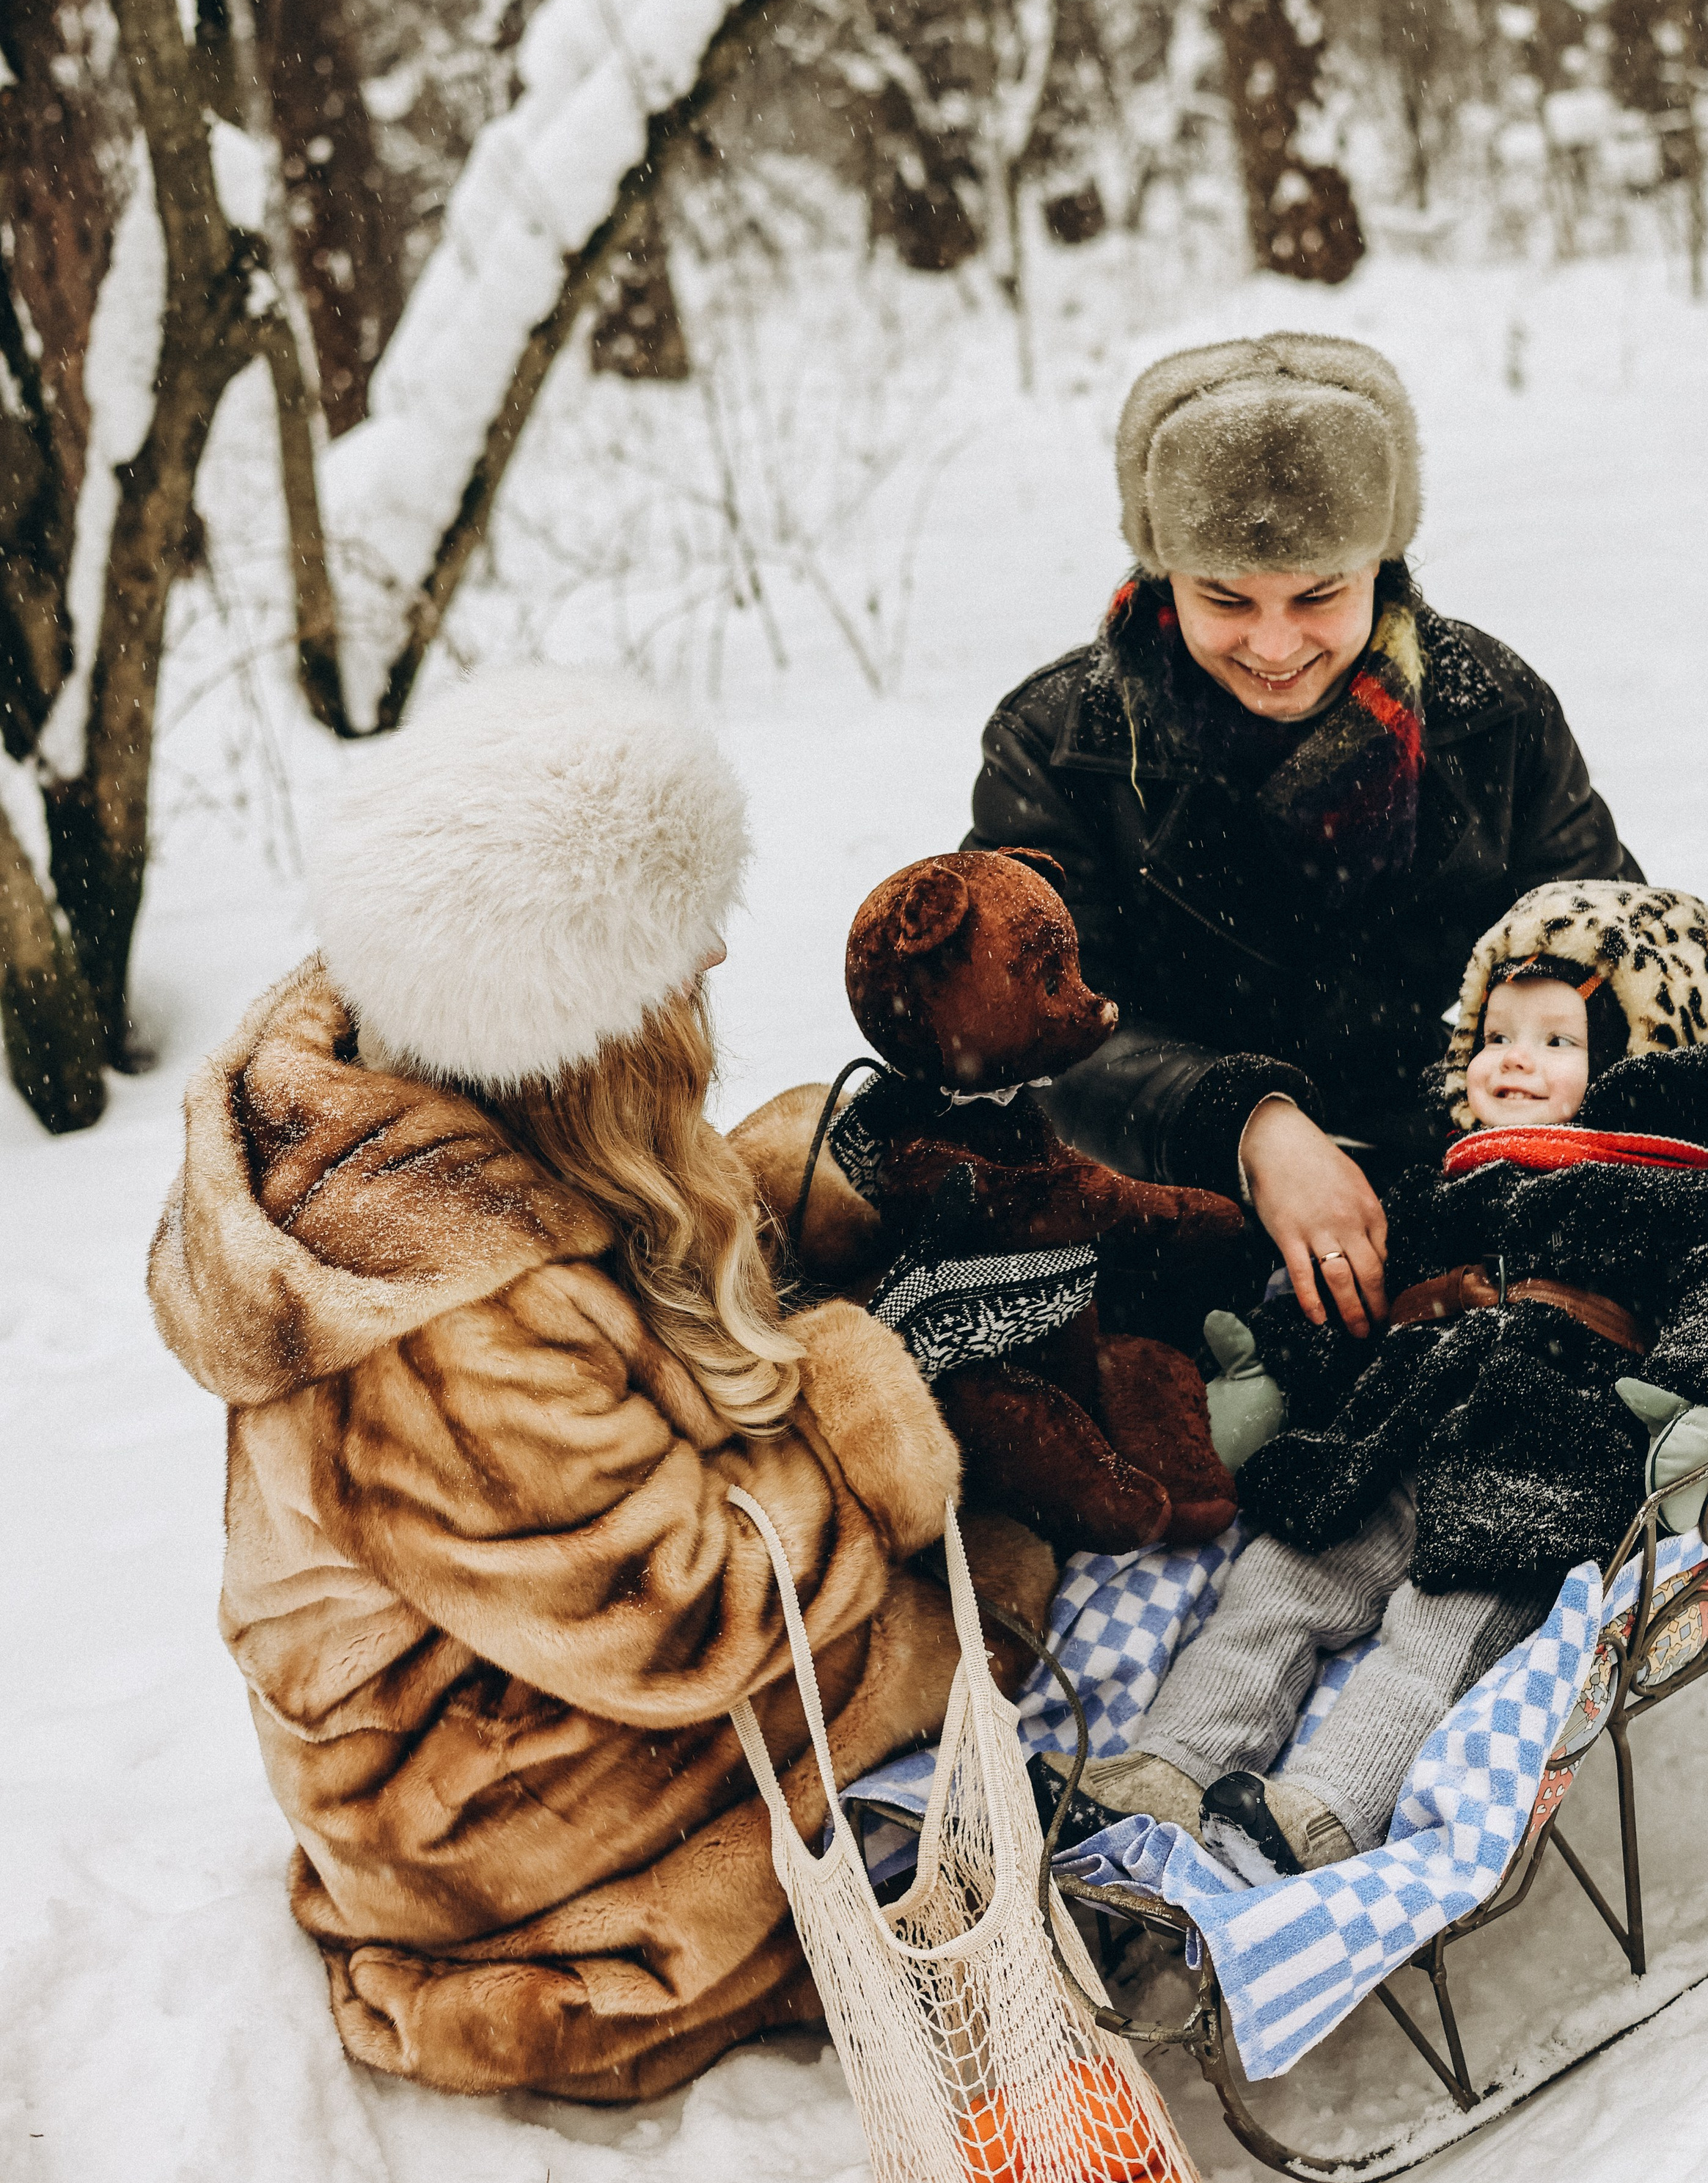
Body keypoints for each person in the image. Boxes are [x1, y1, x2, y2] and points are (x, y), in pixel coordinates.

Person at [147, 669, 1054, 2105]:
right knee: (983, 1603)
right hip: (473, 1805)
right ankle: (629, 1957)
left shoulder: (427, 1077)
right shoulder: (449, 1326)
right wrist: (849, 1421)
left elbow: (595, 1272)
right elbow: (685, 1619)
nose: (705, 975)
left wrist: (782, 1189)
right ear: (571, 1028)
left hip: (518, 1647)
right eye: (674, 967)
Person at [1037, 881, 1708, 1876]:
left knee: (1438, 1638)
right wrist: (1278, 1373)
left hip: (1546, 1453)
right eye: (1497, 1031)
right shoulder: (1444, 1181)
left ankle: (1320, 1813)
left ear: (1634, 1057)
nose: (1512, 1056)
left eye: (1555, 1040)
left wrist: (1706, 1400)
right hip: (1388, 1432)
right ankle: (1167, 1765)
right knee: (1273, 1588)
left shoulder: (1697, 1193)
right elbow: (1361, 1294)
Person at [965, 332, 1641, 1348]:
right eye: (1226, 598)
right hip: (1169, 1228)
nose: (1274, 646)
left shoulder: (1493, 714)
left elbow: (1620, 963)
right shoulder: (1057, 744)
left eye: (1319, 593)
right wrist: (1247, 1121)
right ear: (1162, 572)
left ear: (1384, 561)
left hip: (1472, 1202)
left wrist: (1522, 1127)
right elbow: (1023, 1037)